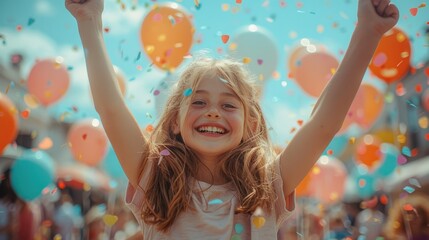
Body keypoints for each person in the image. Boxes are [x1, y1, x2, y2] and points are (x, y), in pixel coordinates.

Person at [65, 0, 399, 238]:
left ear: (251, 124)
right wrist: (89, 21)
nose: (213, 111)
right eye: (198, 101)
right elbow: (110, 109)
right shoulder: (154, 178)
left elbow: (324, 123)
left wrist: (368, 32)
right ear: (173, 122)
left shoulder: (269, 185)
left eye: (229, 105)